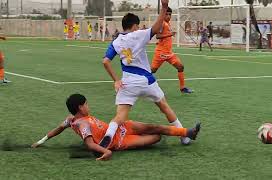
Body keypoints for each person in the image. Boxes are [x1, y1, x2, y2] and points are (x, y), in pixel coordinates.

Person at [101, 0, 192, 149]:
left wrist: (116, 80)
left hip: (128, 82)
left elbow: (105, 61)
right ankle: (183, 135)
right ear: (135, 26)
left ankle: (109, 135)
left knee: (120, 116)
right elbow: (156, 28)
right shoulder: (138, 34)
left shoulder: (116, 41)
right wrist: (163, 7)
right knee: (164, 106)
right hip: (146, 81)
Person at [31, 94, 201, 161]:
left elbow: (58, 129)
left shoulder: (70, 119)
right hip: (120, 141)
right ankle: (185, 133)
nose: (88, 106)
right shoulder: (81, 124)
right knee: (156, 136)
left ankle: (188, 132)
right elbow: (89, 144)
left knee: (153, 126)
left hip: (121, 127)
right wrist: (106, 152)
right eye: (86, 104)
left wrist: (42, 140)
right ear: (81, 108)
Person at [151, 7, 193, 94]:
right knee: (152, 71)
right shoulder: (162, 23)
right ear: (163, 15)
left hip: (169, 53)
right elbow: (157, 36)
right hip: (161, 53)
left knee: (180, 67)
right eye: (166, 14)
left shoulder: (168, 23)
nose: (168, 16)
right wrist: (170, 34)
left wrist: (169, 34)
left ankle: (182, 88)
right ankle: (139, 82)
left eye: (170, 14)